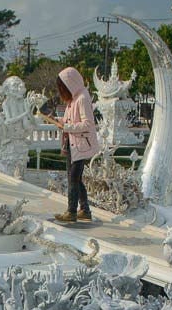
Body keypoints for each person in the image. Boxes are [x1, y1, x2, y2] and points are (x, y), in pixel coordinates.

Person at [49, 67, 99, 223]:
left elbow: (88, 124)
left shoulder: (82, 98)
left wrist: (67, 127)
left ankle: (71, 212)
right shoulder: (72, 99)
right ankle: (84, 210)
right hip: (72, 143)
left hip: (81, 144)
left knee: (73, 177)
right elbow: (68, 120)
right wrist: (59, 122)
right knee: (75, 177)